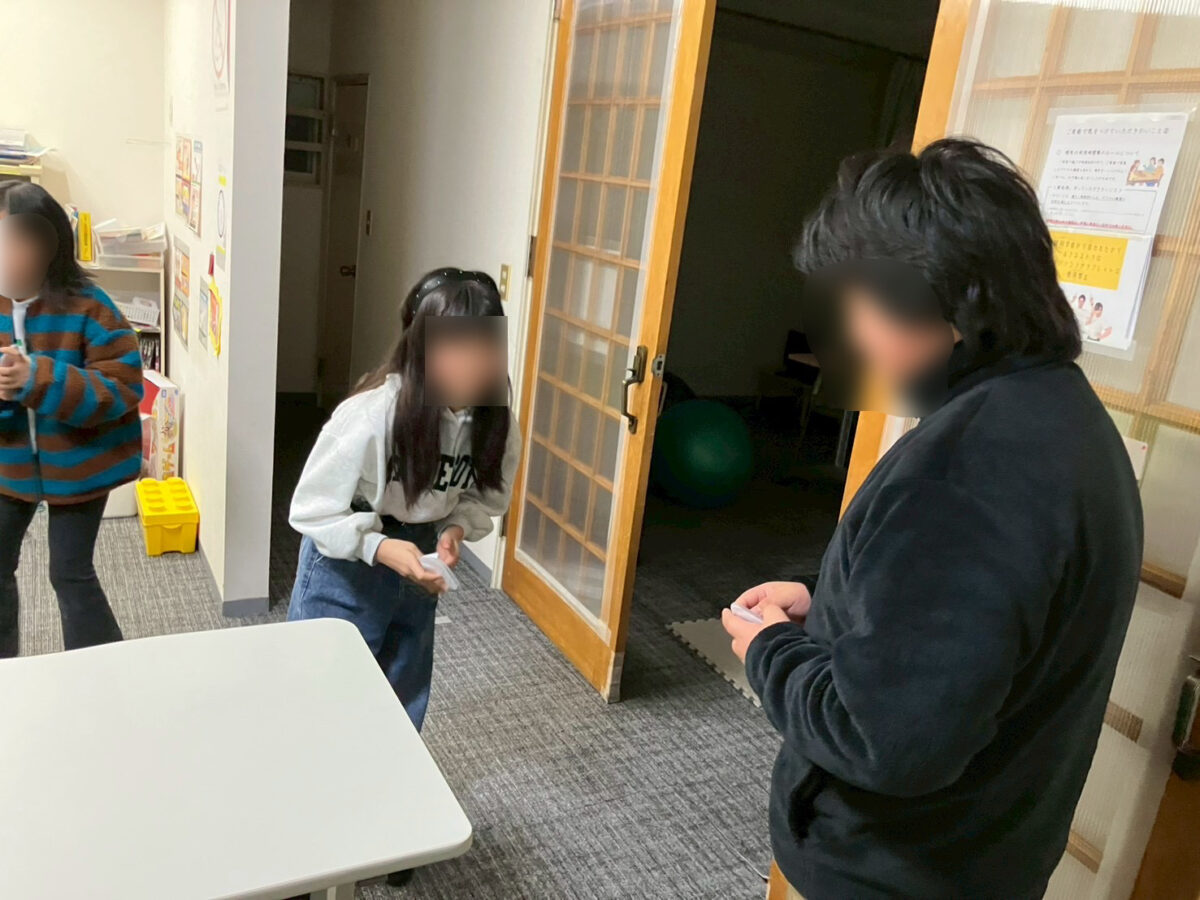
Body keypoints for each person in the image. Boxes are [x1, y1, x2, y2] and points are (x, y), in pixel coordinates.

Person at [722, 139, 1142, 900]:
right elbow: (969, 627)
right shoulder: (1061, 413)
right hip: (988, 850)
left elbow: (884, 740)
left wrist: (769, 649)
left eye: (856, 305)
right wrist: (828, 602)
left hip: (901, 872)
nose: (854, 337)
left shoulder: (967, 470)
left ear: (938, 303)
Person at [288, 267, 519, 730]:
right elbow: (311, 509)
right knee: (320, 697)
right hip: (345, 564)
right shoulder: (371, 416)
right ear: (421, 347)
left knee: (401, 694)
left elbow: (483, 496)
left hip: (420, 556)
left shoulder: (494, 422)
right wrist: (379, 547)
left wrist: (454, 529)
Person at [0, 181, 143, 657]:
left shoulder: (90, 306)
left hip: (82, 467)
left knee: (69, 573)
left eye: (16, 242)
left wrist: (35, 378)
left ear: (50, 247)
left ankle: (102, 672)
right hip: (8, 468)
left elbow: (122, 388)